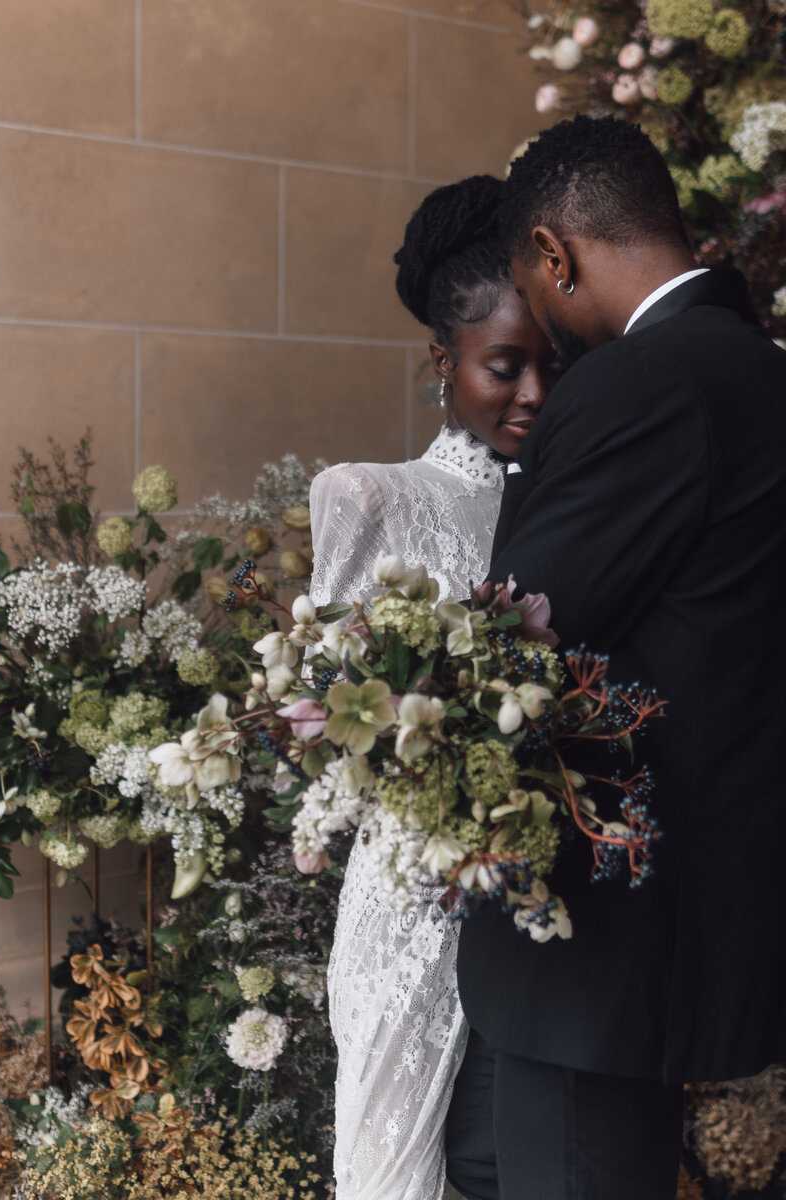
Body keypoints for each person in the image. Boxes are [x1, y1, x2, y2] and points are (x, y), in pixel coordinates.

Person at [447, 115, 786, 1200]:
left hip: (604, 944)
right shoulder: (763, 372)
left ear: (552, 253)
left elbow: (516, 634)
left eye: (532, 288)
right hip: (710, 913)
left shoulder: (641, 381)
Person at [308, 174, 559, 1200]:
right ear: (440, 362)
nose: (533, 395)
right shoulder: (366, 496)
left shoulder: (567, 499)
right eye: (505, 367)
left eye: (552, 365)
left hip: (531, 908)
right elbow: (327, 722)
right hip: (407, 903)